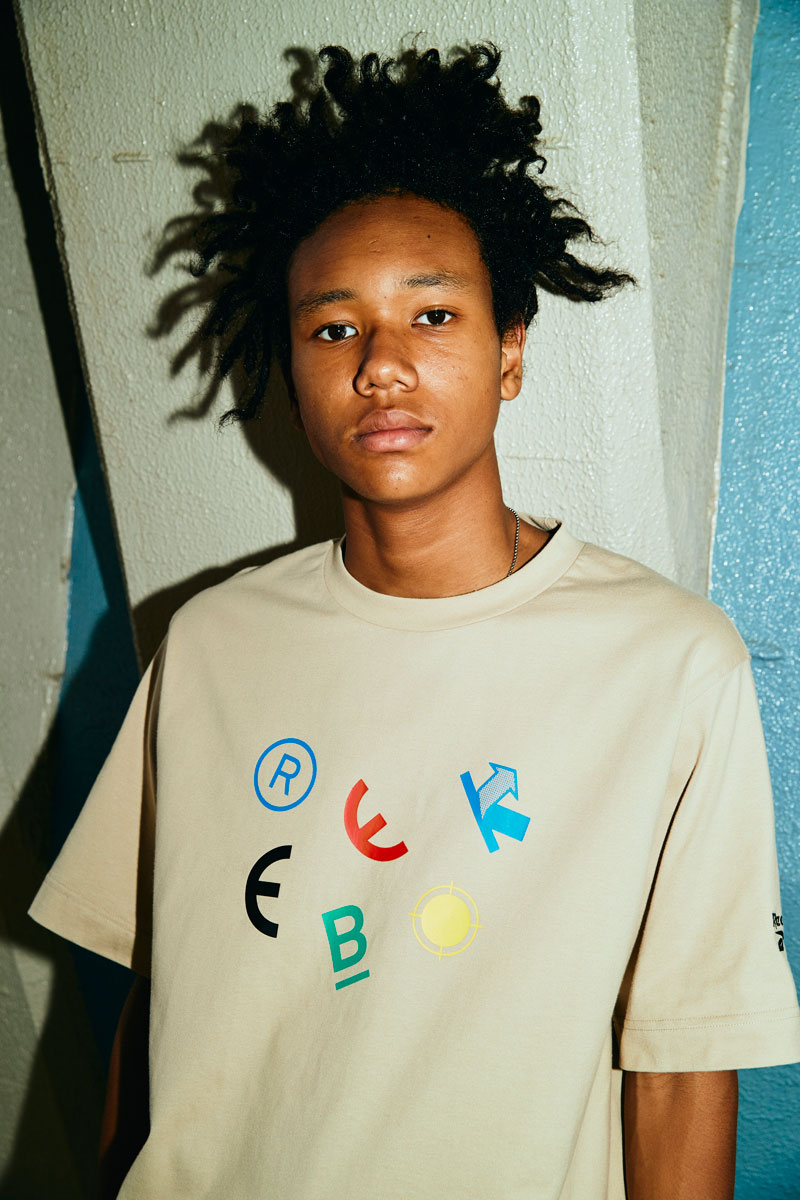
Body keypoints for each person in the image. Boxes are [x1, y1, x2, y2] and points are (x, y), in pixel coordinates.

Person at [30, 44, 800, 1199]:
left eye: (431, 314)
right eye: (332, 329)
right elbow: (163, 997)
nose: (381, 366)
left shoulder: (668, 661)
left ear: (509, 352)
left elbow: (683, 1064)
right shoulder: (210, 642)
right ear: (291, 371)